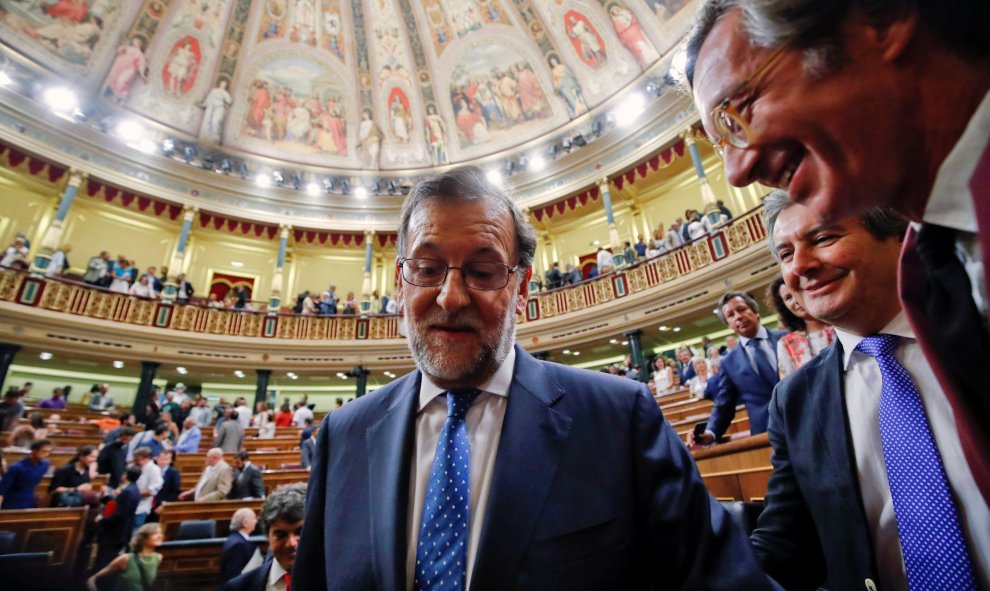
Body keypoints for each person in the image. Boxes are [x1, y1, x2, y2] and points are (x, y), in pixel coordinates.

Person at [292, 166, 776, 590]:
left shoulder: (618, 419)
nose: (451, 296)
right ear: (401, 281)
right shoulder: (344, 436)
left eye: (482, 271)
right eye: (427, 268)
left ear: (521, 288)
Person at [686, 0, 990, 498]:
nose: (737, 173)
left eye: (737, 114)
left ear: (882, 17)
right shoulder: (936, 265)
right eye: (722, 142)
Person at [755, 195, 990, 589]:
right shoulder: (793, 400)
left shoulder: (977, 329)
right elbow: (787, 542)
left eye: (824, 238)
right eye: (785, 253)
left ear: (898, 236)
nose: (800, 266)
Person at [689, 291, 787, 447]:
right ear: (729, 324)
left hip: (810, 423)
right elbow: (724, 405)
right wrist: (709, 433)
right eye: (731, 315)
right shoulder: (729, 362)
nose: (738, 317)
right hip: (767, 437)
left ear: (755, 311)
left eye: (741, 309)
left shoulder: (788, 338)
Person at [224, 483, 306, 591]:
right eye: (280, 535)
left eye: (300, 532)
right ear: (268, 536)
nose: (291, 543)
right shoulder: (238, 588)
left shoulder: (333, 581)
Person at [767, 273, 835, 379]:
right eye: (788, 298)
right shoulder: (786, 344)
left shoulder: (843, 326)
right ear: (784, 306)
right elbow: (791, 388)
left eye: (798, 291)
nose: (796, 300)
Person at [93, 465, 142, 575]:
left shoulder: (128, 492)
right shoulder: (134, 489)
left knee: (104, 562)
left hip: (114, 533)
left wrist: (102, 520)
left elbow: (119, 515)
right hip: (121, 532)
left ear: (126, 475)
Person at [88, 522, 163, 591]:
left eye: (161, 533)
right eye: (155, 533)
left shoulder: (158, 558)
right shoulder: (126, 559)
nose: (160, 536)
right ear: (144, 537)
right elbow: (93, 579)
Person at [0, 439, 52, 509]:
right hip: (12, 502)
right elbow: (2, 489)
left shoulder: (45, 464)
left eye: (48, 452)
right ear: (34, 451)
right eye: (44, 451)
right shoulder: (16, 467)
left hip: (30, 500)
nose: (46, 454)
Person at [221, 508, 259, 585]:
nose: (256, 521)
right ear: (245, 523)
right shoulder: (238, 545)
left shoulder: (237, 539)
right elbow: (234, 576)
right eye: (254, 518)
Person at [131, 447, 163, 531]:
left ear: (147, 458)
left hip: (142, 505)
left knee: (136, 529)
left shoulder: (154, 469)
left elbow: (154, 488)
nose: (136, 462)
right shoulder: (134, 466)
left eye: (138, 460)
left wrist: (134, 493)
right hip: (129, 504)